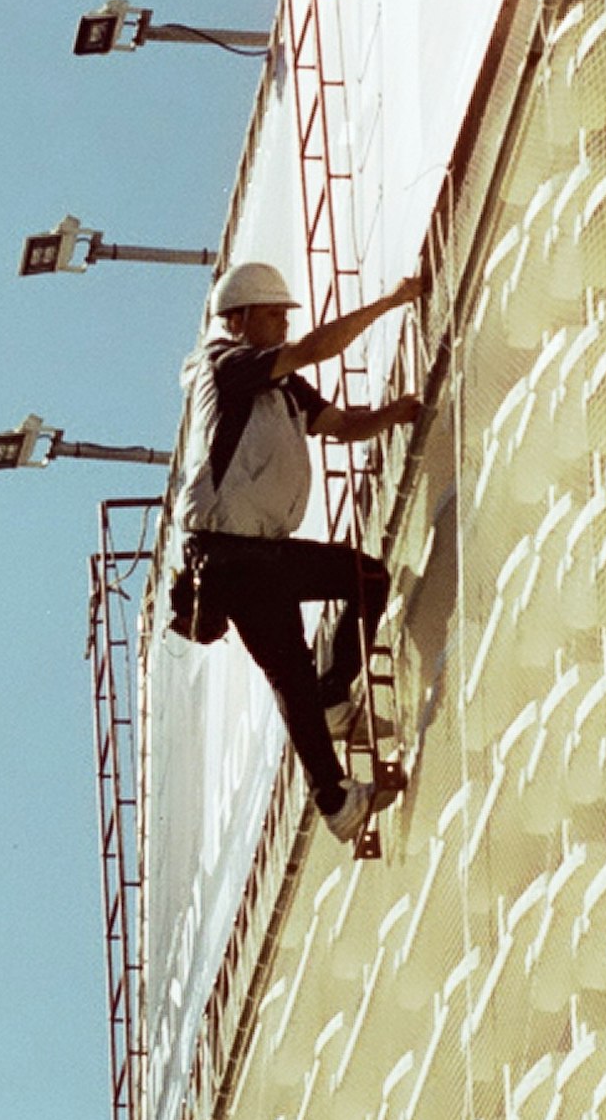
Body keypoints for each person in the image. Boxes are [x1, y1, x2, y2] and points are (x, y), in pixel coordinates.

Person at [177, 257, 427, 850]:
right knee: (298, 657)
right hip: (230, 554)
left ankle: (336, 717)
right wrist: (390, 302)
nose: (284, 325)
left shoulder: (278, 384)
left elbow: (337, 424)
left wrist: (394, 414)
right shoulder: (229, 366)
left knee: (358, 587)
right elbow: (315, 349)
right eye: (272, 315)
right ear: (236, 322)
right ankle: (334, 780)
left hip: (258, 551)